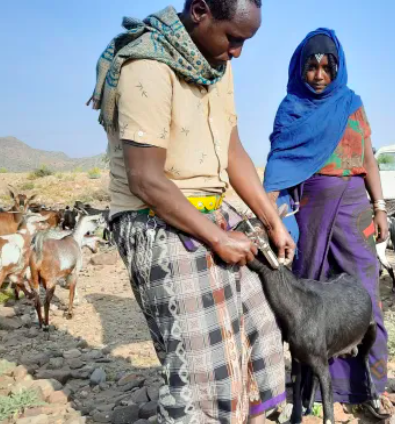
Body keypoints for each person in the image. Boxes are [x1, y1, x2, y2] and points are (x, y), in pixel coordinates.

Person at [88, 1, 295, 423]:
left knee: (262, 334)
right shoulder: (146, 65)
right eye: (233, 38)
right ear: (200, 11)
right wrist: (217, 238)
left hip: (210, 213)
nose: (238, 51)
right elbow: (145, 180)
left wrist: (272, 220)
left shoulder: (215, 65)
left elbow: (232, 149)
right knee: (204, 366)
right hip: (156, 220)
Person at [263, 28, 393, 419]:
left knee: (366, 297)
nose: (318, 76)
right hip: (312, 208)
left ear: (338, 69)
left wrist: (381, 207)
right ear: (300, 68)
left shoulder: (352, 104)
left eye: (326, 68)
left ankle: (371, 387)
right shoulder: (291, 109)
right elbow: (279, 169)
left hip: (355, 208)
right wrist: (270, 219)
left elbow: (368, 160)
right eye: (312, 67)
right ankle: (316, 392)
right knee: (308, 296)